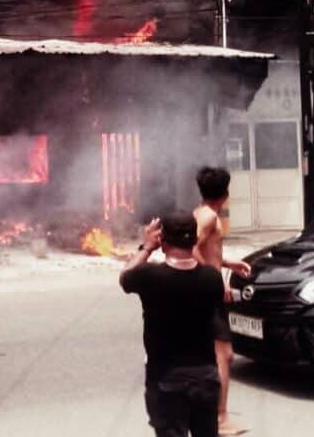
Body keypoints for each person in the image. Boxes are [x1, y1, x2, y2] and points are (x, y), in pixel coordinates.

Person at [120, 211, 224, 437]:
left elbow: (125, 276)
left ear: (163, 243)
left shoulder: (150, 276)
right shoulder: (212, 278)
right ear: (195, 240)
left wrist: (147, 247)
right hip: (206, 379)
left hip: (166, 381)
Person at [193, 167, 251, 437]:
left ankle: (210, 414)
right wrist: (216, 279)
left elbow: (207, 250)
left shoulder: (203, 213)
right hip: (209, 292)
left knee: (213, 354)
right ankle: (220, 418)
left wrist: (229, 263)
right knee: (223, 356)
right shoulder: (208, 218)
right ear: (225, 193)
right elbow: (191, 248)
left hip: (206, 290)